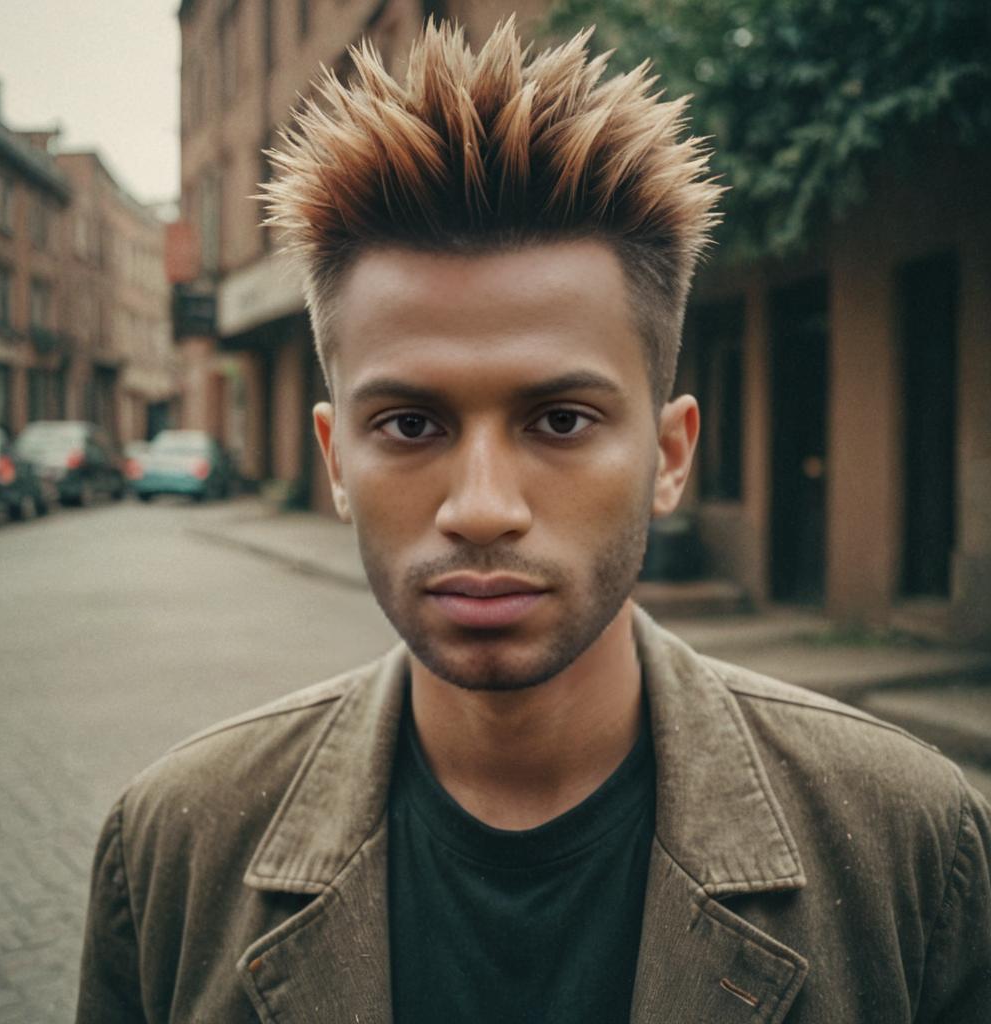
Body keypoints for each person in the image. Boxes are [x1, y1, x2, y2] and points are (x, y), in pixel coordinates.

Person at [76, 19, 991, 1023]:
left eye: (559, 419)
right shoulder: (171, 852)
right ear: (337, 461)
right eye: (411, 422)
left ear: (670, 456)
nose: (480, 507)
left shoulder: (912, 848)